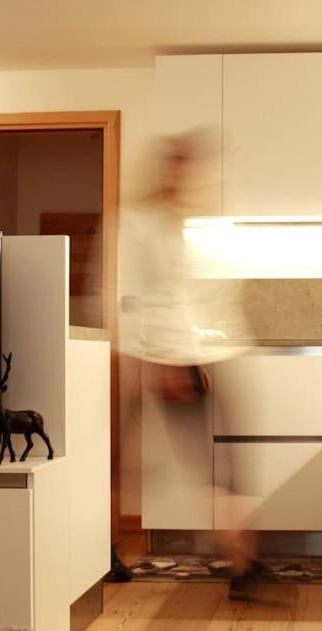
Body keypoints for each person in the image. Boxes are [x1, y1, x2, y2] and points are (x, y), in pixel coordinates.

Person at [117, 131, 260, 599]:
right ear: (166, 170)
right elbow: (140, 300)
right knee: (206, 471)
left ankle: (243, 560)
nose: (189, 177)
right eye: (182, 167)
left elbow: (183, 296)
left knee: (220, 467)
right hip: (171, 360)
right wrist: (165, 367)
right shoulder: (139, 223)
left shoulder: (174, 223)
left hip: (198, 357)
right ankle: (241, 562)